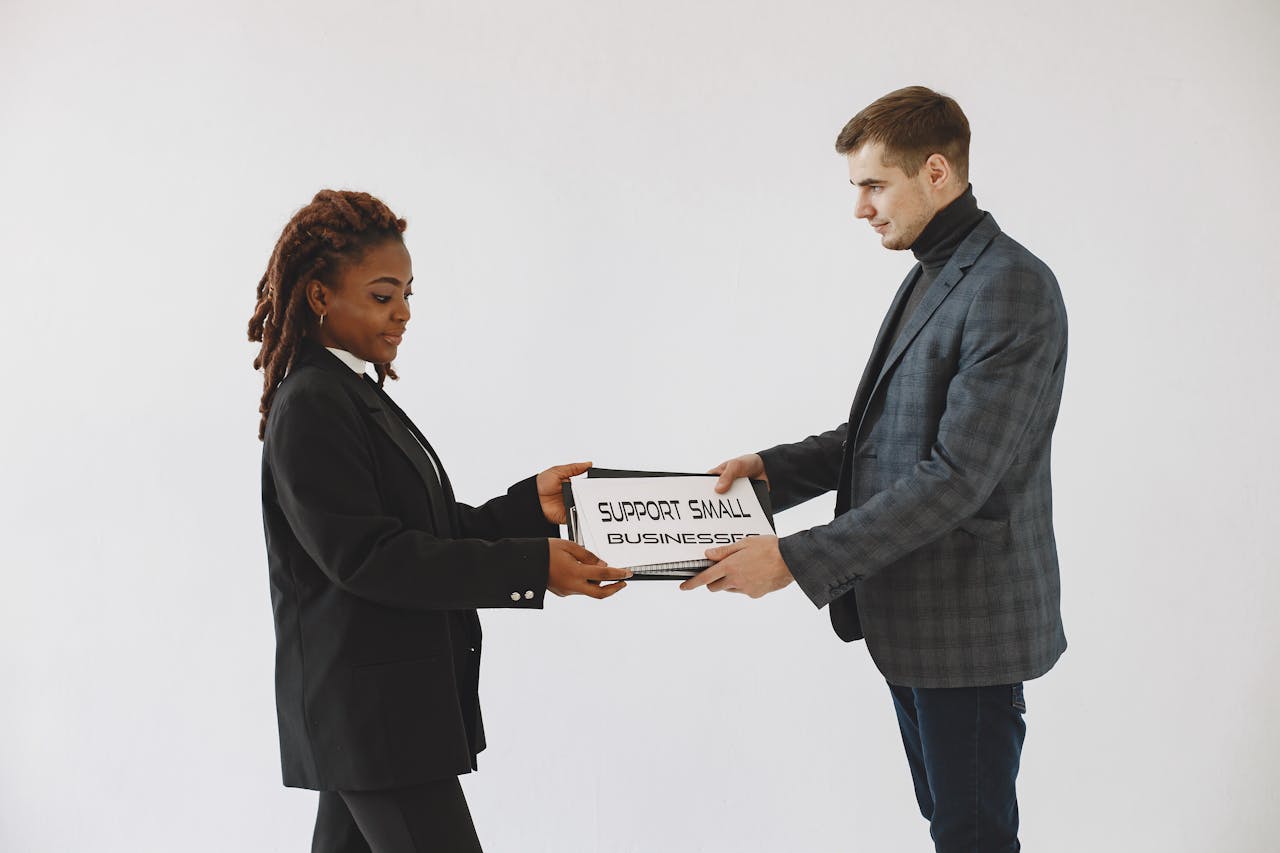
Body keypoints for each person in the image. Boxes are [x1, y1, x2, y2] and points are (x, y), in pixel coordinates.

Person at [682, 87, 1068, 851]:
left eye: (872, 184)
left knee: (973, 835)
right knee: (952, 828)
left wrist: (793, 558)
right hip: (917, 620)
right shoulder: (939, 268)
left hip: (968, 629)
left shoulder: (1008, 284)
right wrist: (773, 472)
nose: (860, 208)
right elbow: (884, 434)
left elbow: (957, 475)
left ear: (935, 172)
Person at [247, 189, 631, 853]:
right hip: (375, 720)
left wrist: (526, 510)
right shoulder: (313, 401)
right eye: (383, 294)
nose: (403, 312)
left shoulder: (352, 390)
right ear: (318, 296)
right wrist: (532, 569)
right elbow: (371, 556)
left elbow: (420, 525)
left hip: (373, 713)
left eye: (408, 293)